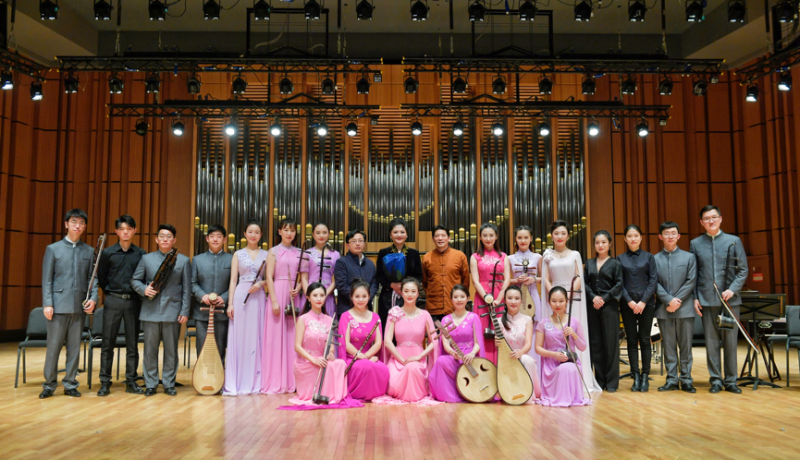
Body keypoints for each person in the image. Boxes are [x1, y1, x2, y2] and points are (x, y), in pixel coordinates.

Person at [39, 209, 99, 399]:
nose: (77, 226)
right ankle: (49, 385)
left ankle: (70, 383)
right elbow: (47, 279)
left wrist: (94, 298)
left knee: (74, 348)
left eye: (81, 223)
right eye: (74, 222)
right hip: (57, 306)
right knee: (53, 348)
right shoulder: (53, 249)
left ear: (85, 227)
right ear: (66, 224)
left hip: (79, 306)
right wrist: (47, 303)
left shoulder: (89, 251)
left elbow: (92, 279)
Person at [690, 205, 748, 394]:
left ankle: (731, 380)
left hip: (730, 301)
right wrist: (695, 297)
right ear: (701, 222)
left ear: (720, 218)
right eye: (707, 218)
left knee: (730, 341)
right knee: (711, 341)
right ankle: (715, 379)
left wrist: (732, 289)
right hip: (707, 300)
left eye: (714, 217)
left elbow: (743, 270)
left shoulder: (734, 241)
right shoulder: (696, 244)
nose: (711, 221)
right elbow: (694, 274)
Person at [131, 224, 191, 397]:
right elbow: (135, 280)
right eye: (162, 236)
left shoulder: (183, 261)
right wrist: (144, 289)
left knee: (171, 350)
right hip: (150, 310)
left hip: (173, 311)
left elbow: (186, 289)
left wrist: (184, 311)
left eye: (169, 236)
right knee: (150, 350)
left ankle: (169, 383)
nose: (165, 239)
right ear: (156, 239)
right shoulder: (146, 259)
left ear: (174, 240)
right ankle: (150, 384)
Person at [96, 214, 146, 396]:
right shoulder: (108, 253)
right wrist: (111, 293)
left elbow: (143, 278)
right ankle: (105, 382)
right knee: (107, 343)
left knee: (132, 343)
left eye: (129, 229)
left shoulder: (141, 254)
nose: (125, 232)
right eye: (122, 229)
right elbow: (102, 278)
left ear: (135, 231)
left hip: (133, 301)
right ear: (116, 231)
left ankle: (131, 381)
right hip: (113, 300)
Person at [223, 221, 267, 395]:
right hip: (241, 296)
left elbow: (270, 278)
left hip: (259, 297)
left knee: (257, 336)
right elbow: (233, 280)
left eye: (257, 232)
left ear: (261, 235)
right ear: (245, 234)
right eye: (250, 231)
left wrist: (261, 283)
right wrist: (230, 303)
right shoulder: (238, 254)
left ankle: (257, 380)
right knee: (240, 337)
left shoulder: (267, 254)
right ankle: (238, 381)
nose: (253, 235)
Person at [654, 221, 698, 393]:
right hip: (664, 309)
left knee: (686, 347)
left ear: (679, 236)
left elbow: (691, 281)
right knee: (669, 347)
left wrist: (676, 300)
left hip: (685, 309)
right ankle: (672, 379)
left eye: (673, 233)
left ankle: (686, 379)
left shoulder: (689, 257)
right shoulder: (655, 259)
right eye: (666, 233)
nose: (670, 236)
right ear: (661, 236)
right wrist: (668, 300)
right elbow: (654, 283)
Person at [261, 218, 303, 394]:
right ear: (279, 231)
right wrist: (274, 300)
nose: (289, 233)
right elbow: (269, 277)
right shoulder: (273, 252)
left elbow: (302, 277)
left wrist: (298, 287)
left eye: (292, 230)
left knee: (293, 336)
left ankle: (294, 380)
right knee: (275, 337)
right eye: (286, 230)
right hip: (278, 292)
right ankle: (276, 379)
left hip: (293, 296)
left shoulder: (300, 252)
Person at [290, 283, 347, 405]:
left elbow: (331, 345)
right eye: (315, 295)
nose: (319, 298)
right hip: (306, 362)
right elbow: (297, 347)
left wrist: (330, 353)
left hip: (322, 360)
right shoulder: (303, 319)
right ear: (308, 298)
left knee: (341, 363)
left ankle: (331, 396)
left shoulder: (329, 319)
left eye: (322, 295)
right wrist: (313, 360)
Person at [381, 278, 437, 403]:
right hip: (397, 359)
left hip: (418, 359)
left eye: (413, 291)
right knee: (394, 385)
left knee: (412, 369)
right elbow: (388, 341)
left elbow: (434, 341)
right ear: (401, 293)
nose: (409, 294)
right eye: (406, 291)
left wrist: (420, 356)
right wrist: (401, 360)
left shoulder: (425, 315)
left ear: (418, 293)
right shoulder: (394, 313)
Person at [617, 224, 658, 392]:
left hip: (646, 305)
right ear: (625, 239)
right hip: (627, 305)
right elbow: (619, 283)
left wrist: (642, 302)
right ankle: (635, 375)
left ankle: (645, 375)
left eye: (636, 235)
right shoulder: (620, 259)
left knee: (645, 339)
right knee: (632, 340)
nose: (633, 238)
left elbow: (653, 280)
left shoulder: (649, 257)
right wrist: (629, 301)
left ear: (641, 238)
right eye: (630, 236)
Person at [535, 286, 592, 407]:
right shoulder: (543, 323)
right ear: (548, 302)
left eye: (561, 301)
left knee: (567, 368)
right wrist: (554, 355)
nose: (557, 304)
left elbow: (583, 347)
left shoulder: (574, 322)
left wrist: (574, 335)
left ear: (566, 301)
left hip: (570, 360)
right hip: (551, 364)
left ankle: (567, 398)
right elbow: (538, 348)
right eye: (554, 301)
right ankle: (560, 398)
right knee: (563, 369)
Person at [428, 285, 486, 403]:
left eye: (462, 296)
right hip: (454, 357)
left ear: (468, 298)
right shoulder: (445, 320)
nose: (459, 300)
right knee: (441, 361)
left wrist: (472, 354)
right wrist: (452, 352)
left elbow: (478, 343)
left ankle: (470, 391)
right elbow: (445, 343)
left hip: (470, 358)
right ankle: (449, 395)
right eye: (456, 297)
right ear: (451, 300)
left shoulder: (473, 317)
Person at [584, 230, 624, 392]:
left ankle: (612, 382)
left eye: (603, 242)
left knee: (611, 344)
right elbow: (585, 284)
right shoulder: (589, 263)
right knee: (596, 344)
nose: (600, 245)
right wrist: (594, 297)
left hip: (610, 307)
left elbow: (619, 285)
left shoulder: (615, 264)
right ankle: (599, 381)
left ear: (610, 244)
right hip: (592, 306)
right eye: (597, 242)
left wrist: (604, 299)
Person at [337, 279, 390, 401]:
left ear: (369, 297)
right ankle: (361, 394)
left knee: (383, 369)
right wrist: (360, 356)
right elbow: (345, 343)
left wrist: (367, 356)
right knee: (366, 366)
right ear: (351, 297)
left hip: (369, 355)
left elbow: (378, 343)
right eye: (357, 296)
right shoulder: (346, 316)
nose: (360, 299)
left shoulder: (375, 316)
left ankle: (374, 395)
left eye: (364, 296)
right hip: (352, 357)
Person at [190, 224, 232, 363]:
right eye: (212, 236)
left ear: (224, 240)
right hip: (202, 312)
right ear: (207, 239)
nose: (215, 239)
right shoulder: (197, 260)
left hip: (222, 312)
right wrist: (202, 296)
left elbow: (235, 283)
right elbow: (192, 283)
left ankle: (219, 376)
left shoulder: (232, 259)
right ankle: (201, 376)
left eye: (219, 236)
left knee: (220, 349)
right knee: (202, 349)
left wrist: (224, 297)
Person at [470, 222, 510, 363]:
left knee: (499, 332)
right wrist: (487, 298)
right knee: (481, 331)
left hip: (500, 298)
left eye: (491, 235)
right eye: (485, 235)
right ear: (480, 237)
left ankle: (500, 366)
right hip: (482, 299)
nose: (488, 238)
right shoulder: (475, 257)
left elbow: (507, 279)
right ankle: (483, 365)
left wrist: (499, 299)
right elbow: (475, 281)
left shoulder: (503, 256)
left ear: (496, 237)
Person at [376, 218, 423, 330]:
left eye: (402, 232)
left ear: (406, 234)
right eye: (395, 232)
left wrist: (406, 286)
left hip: (409, 296)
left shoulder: (414, 253)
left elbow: (419, 276)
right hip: (387, 297)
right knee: (388, 328)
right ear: (390, 234)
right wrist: (391, 285)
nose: (399, 235)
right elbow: (379, 275)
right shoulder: (383, 252)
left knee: (408, 329)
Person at [498, 285, 541, 401]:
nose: (513, 301)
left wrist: (520, 353)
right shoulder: (498, 321)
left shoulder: (527, 319)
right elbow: (499, 346)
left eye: (516, 298)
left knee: (527, 360)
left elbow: (528, 344)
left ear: (521, 301)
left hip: (522, 356)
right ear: (504, 300)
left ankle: (528, 395)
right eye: (510, 298)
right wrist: (496, 342)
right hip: (506, 360)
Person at [421, 225, 470, 322]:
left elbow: (466, 281)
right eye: (437, 236)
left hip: (454, 307)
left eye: (443, 235)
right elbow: (424, 282)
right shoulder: (426, 258)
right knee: (434, 332)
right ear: (433, 239)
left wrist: (460, 298)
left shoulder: (460, 256)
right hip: (433, 307)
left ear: (449, 238)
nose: (440, 238)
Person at [300, 222, 340, 317]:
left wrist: (325, 294)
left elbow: (337, 278)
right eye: (318, 233)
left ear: (329, 234)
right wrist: (309, 295)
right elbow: (304, 278)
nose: (321, 236)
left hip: (328, 294)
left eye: (324, 232)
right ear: (313, 234)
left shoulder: (336, 254)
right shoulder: (307, 253)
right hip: (310, 294)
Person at [334, 230, 378, 316]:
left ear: (364, 244)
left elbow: (374, 284)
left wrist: (366, 299)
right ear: (347, 245)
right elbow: (341, 285)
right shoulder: (341, 262)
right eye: (354, 241)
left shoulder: (370, 263)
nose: (357, 244)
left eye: (360, 241)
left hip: (366, 308)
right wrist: (357, 299)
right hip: (347, 308)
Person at [507, 225, 543, 319]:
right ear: (515, 239)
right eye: (519, 238)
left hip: (533, 293)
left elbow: (544, 279)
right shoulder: (509, 258)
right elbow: (504, 281)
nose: (523, 241)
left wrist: (534, 279)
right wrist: (516, 280)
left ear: (531, 238)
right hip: (516, 296)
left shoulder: (538, 257)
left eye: (526, 237)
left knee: (535, 321)